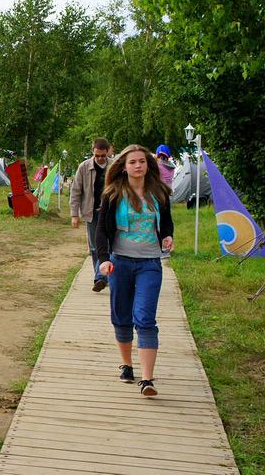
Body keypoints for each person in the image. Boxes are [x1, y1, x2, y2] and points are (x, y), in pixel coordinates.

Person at [96, 145, 174, 397]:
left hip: (149, 263)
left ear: (149, 165)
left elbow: (167, 221)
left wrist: (167, 236)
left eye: (142, 161)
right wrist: (103, 259)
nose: (138, 166)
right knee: (121, 315)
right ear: (124, 166)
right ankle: (127, 364)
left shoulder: (159, 192)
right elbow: (102, 231)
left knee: (145, 317)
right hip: (120, 263)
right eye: (133, 162)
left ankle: (147, 379)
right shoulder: (113, 193)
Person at [70, 138, 113, 292]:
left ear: (107, 151)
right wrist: (74, 214)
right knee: (95, 247)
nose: (100, 158)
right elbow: (76, 191)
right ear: (93, 152)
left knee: (110, 245)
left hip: (111, 213)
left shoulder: (114, 166)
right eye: (97, 155)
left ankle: (101, 277)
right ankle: (101, 277)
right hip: (92, 213)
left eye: (103, 155)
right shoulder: (84, 167)